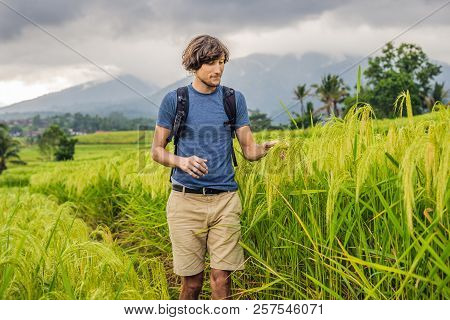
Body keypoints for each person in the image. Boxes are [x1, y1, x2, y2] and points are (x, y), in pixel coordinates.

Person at [151, 34, 277, 300]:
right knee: (192, 285)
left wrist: (266, 149)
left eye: (221, 62)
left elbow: (249, 151)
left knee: (222, 282)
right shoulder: (175, 100)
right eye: (210, 63)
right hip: (185, 203)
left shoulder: (233, 99)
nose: (218, 69)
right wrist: (181, 161)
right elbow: (157, 151)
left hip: (225, 202)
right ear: (194, 65)